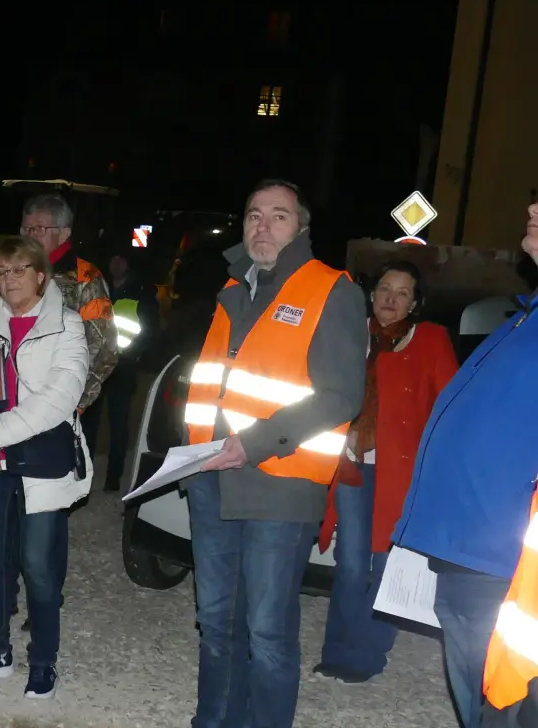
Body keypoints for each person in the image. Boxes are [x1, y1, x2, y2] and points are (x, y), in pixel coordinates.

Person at [182, 179, 367, 728]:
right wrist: (193, 454)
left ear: (302, 228)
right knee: (216, 622)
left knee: (267, 633)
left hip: (280, 483)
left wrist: (255, 443)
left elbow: (340, 395)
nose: (262, 226)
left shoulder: (332, 290)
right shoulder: (235, 288)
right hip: (210, 475)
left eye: (278, 216)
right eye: (253, 215)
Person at [393, 200, 538, 728]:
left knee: (507, 701)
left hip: (508, 559)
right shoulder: (526, 316)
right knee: (481, 698)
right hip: (470, 548)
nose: (530, 206)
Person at [0, 192, 116, 618]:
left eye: (40, 228)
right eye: (26, 226)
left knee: (45, 515)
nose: (30, 234)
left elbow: (102, 348)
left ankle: (44, 601)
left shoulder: (84, 278)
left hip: (56, 416)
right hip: (3, 414)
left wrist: (71, 407)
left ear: (64, 233)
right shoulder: (6, 275)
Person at [0, 235, 90, 698]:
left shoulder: (68, 325)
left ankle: (44, 662)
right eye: (2, 272)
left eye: (19, 270)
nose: (8, 280)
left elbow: (60, 396)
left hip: (40, 462)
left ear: (41, 275)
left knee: (38, 565)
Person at [309, 260, 456, 683]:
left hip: (402, 472)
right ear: (371, 294)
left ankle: (368, 654)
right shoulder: (351, 335)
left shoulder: (429, 340)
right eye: (385, 289)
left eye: (403, 292)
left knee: (384, 563)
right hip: (352, 465)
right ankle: (337, 650)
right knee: (351, 562)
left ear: (415, 302)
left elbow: (447, 405)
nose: (391, 299)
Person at [84, 250, 160, 491]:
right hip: (95, 367)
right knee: (88, 424)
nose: (116, 262)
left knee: (119, 424)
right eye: (113, 257)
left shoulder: (141, 294)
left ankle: (113, 478)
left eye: (121, 258)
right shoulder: (100, 290)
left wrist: (131, 356)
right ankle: (84, 474)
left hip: (122, 368)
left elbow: (149, 332)